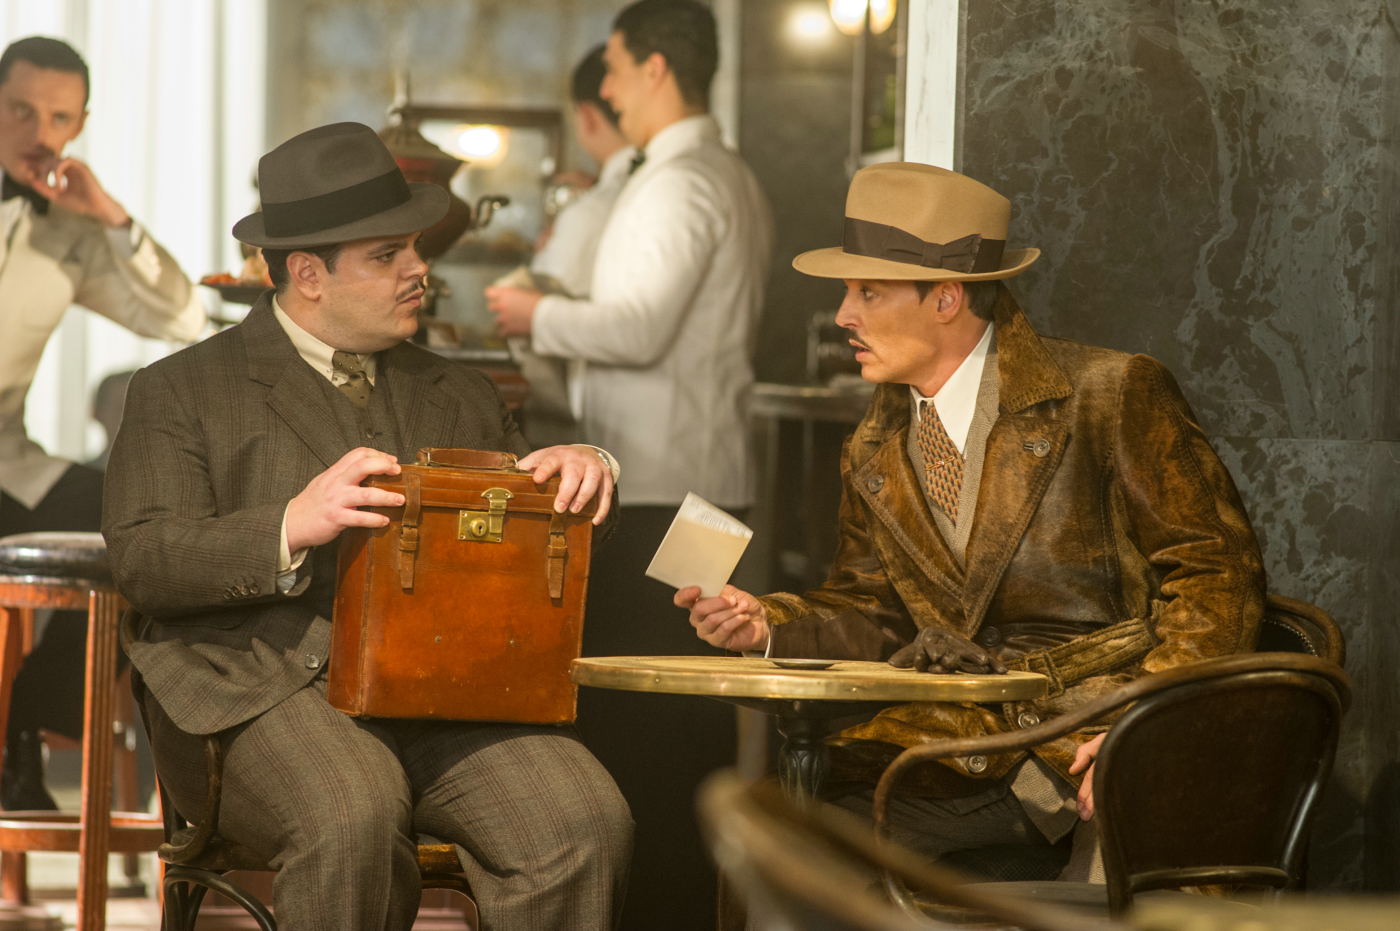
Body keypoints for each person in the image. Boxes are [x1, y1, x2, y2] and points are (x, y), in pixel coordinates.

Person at [103, 122, 632, 930]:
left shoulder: (462, 392)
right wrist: (290, 524)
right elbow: (143, 558)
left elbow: (534, 534)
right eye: (388, 255)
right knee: (350, 813)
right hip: (257, 689)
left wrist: (587, 471)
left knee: (583, 819)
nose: (420, 268)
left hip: (445, 695)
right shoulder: (180, 389)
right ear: (307, 274)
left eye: (414, 247)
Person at [682, 162, 1266, 888]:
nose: (843, 316)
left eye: (868, 291)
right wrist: (766, 624)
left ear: (947, 298)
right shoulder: (875, 442)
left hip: (1079, 738)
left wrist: (1144, 723)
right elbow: (876, 611)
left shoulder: (1110, 394)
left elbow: (1217, 574)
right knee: (768, 835)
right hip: (950, 745)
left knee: (801, 848)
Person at [486, 1, 773, 926]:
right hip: (704, 486)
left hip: (662, 495)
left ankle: (661, 912)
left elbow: (641, 327)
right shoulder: (720, 172)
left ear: (655, 68)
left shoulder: (681, 181)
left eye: (612, 67)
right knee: (680, 712)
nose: (605, 89)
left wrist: (534, 315)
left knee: (654, 716)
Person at [0, 36, 205, 810]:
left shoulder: (72, 232)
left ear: (81, 126)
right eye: (21, 111)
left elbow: (181, 316)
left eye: (59, 118)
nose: (39, 133)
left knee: (134, 520)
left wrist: (111, 216)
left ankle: (22, 731)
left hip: (9, 464)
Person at [509, 43, 636, 448]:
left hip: (602, 423)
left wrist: (525, 305)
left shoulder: (593, 209)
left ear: (586, 115)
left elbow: (537, 296)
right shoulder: (643, 187)